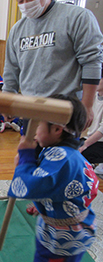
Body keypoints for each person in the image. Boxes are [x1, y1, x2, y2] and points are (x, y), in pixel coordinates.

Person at [3, 0, 103, 128]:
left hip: (65, 108)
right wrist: (8, 101)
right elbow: (11, 69)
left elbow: (92, 62)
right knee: (29, 152)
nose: (25, 4)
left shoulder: (77, 17)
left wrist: (87, 105)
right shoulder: (17, 30)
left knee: (62, 153)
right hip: (31, 107)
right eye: (20, 1)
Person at [8, 94, 99, 262]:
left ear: (57, 129)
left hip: (63, 237)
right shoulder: (64, 152)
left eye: (38, 124)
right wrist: (46, 201)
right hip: (66, 224)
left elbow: (31, 186)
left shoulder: (62, 159)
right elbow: (59, 186)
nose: (34, 130)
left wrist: (26, 157)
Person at [80, 77, 103, 173]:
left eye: (100, 78)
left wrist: (85, 145)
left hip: (100, 143)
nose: (97, 81)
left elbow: (102, 130)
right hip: (89, 138)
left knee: (82, 154)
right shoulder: (92, 98)